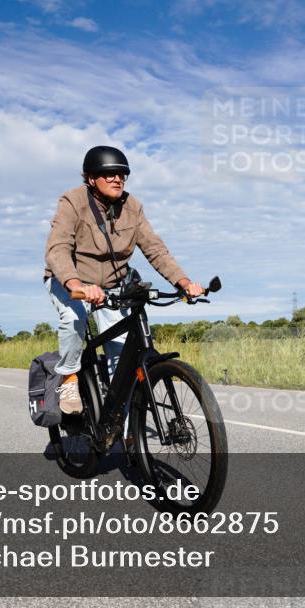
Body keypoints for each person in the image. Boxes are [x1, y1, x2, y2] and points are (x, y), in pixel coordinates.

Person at [44, 145, 204, 414]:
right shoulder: (72, 201)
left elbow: (154, 248)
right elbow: (57, 248)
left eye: (122, 175)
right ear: (91, 178)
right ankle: (69, 378)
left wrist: (184, 283)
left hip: (112, 287)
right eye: (110, 174)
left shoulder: (133, 206)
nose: (118, 179)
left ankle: (125, 428)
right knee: (74, 319)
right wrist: (75, 284)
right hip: (71, 282)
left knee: (121, 360)